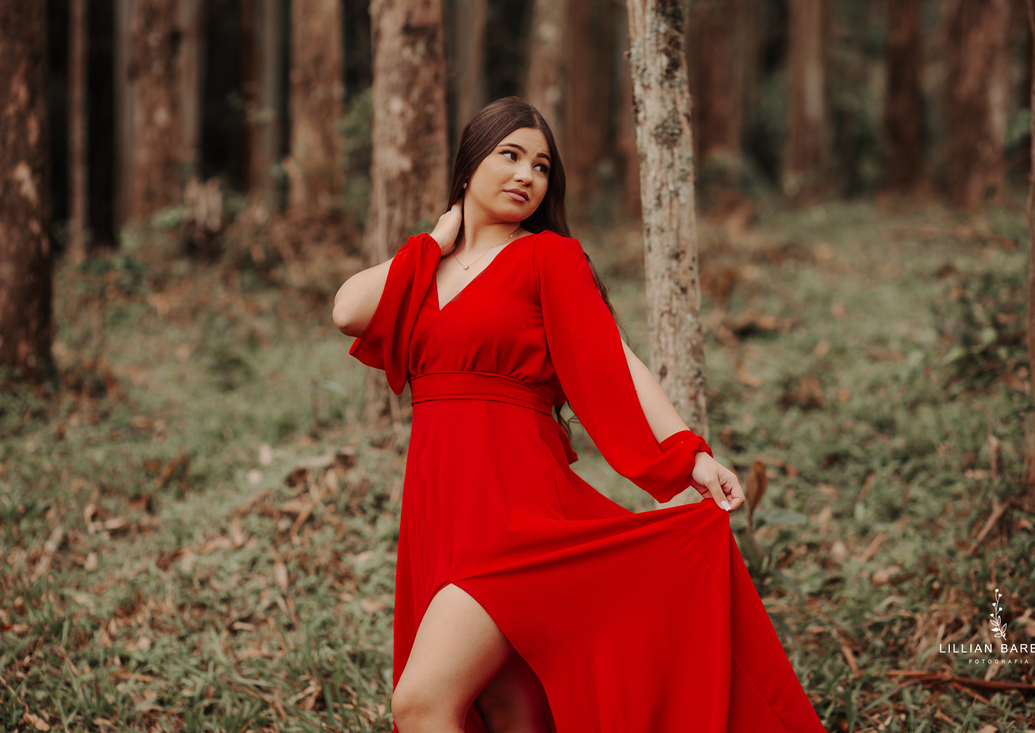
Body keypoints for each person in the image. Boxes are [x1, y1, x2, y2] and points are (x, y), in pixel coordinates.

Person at [333, 97, 827, 733]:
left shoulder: (548, 257)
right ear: (469, 165)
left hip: (513, 513)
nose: (526, 175)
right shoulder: (424, 269)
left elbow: (614, 361)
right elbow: (348, 311)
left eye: (541, 166)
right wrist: (435, 238)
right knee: (509, 709)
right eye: (510, 156)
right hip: (439, 511)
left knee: (421, 701)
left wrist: (690, 454)